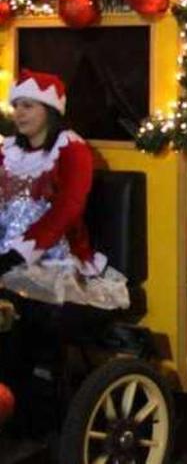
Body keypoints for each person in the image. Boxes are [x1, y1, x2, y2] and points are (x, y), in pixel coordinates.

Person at [0, 70, 128, 434]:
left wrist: (20, 253)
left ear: (49, 110)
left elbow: (67, 209)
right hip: (7, 251)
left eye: (28, 106)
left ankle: (29, 409)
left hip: (56, 259)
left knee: (21, 309)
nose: (20, 113)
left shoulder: (72, 149)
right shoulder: (6, 150)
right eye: (16, 106)